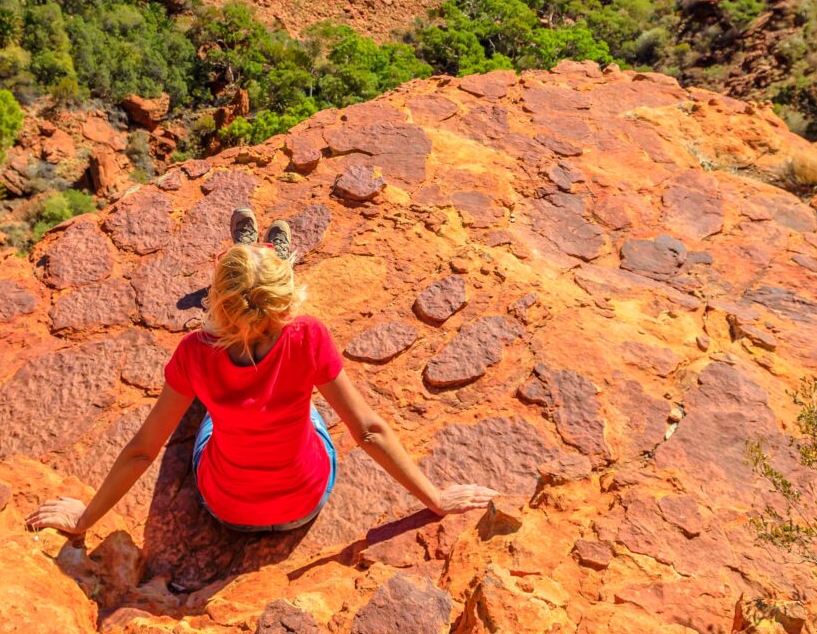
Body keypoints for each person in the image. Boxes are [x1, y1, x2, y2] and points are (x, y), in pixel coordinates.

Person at [27, 208, 497, 538]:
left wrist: (83, 519)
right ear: (287, 298)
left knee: (206, 412)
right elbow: (369, 432)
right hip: (304, 504)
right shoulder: (307, 335)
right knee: (306, 397)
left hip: (225, 510)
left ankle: (246, 257)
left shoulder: (195, 351)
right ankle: (268, 258)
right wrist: (435, 498)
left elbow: (143, 451)